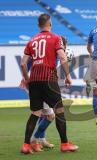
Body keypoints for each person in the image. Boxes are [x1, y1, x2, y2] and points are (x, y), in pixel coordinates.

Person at [20, 13, 78, 154]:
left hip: (34, 80)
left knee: (35, 113)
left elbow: (23, 63)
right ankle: (64, 144)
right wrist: (68, 76)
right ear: (50, 24)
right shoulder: (56, 38)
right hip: (49, 80)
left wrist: (26, 78)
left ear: (39, 25)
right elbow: (63, 58)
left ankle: (26, 145)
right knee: (59, 112)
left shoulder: (32, 40)